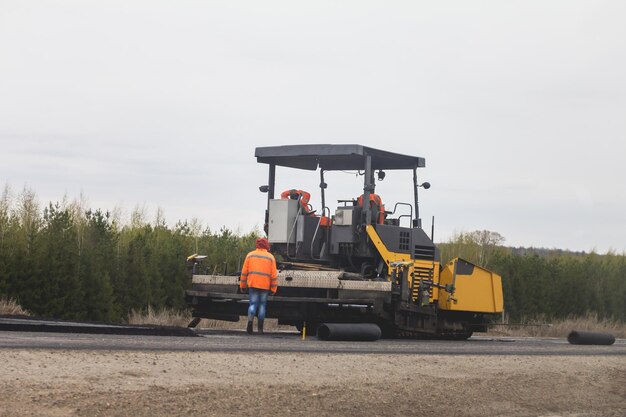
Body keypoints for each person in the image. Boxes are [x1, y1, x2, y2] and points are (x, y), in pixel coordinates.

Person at [239, 237, 278, 334]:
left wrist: (243, 286)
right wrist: (273, 288)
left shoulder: (250, 255)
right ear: (266, 245)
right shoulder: (270, 257)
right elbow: (274, 275)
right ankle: (260, 329)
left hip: (253, 284)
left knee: (252, 304)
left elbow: (244, 272)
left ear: (257, 244)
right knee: (262, 306)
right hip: (265, 286)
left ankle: (250, 323)